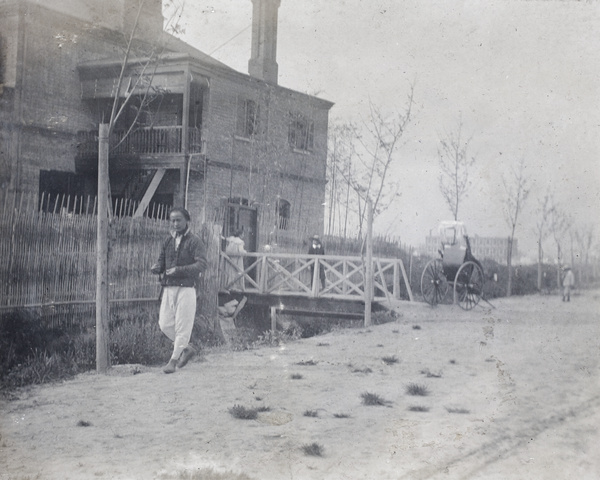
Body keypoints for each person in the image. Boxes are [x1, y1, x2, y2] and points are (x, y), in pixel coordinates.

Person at [151, 208, 207, 374]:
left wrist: (179, 270)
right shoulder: (168, 241)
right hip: (168, 288)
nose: (175, 224)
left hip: (186, 289)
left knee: (183, 325)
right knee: (165, 324)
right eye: (173, 220)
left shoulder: (194, 241)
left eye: (179, 220)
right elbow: (162, 262)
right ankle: (187, 348)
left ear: (187, 220)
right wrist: (157, 268)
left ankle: (173, 361)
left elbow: (201, 264)